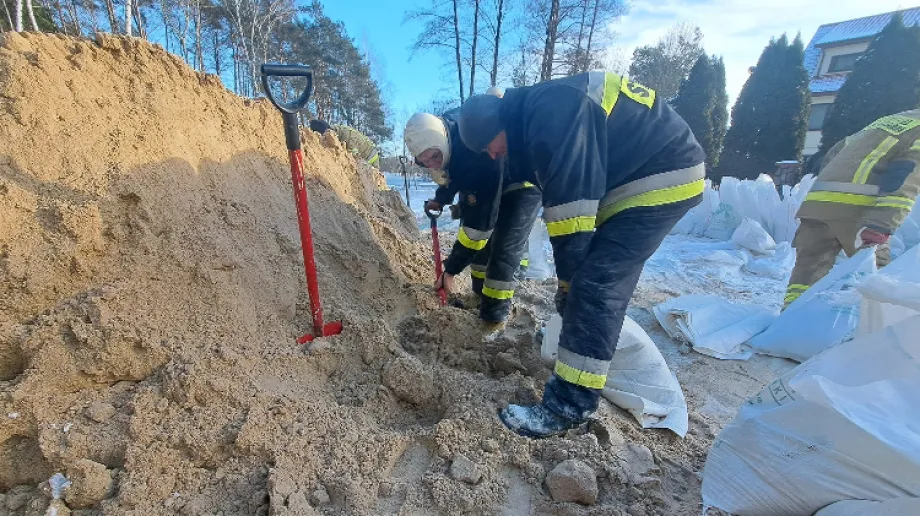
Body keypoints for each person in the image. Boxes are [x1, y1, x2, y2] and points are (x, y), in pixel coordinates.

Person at [456, 71, 705, 438]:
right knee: (587, 284)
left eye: (489, 144)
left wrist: (570, 284)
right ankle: (582, 361)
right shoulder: (538, 113)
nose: (493, 154)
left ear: (499, 123)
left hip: (659, 173)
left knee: (596, 284)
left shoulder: (551, 114)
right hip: (637, 175)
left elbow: (572, 218)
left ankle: (568, 406)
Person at [405, 108, 541, 329]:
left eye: (434, 156)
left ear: (441, 139)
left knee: (502, 248)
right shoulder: (451, 140)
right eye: (425, 162)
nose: (432, 164)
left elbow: (479, 226)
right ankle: (479, 296)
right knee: (481, 251)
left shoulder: (475, 151)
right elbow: (455, 175)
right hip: (492, 180)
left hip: (520, 184)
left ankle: (493, 319)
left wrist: (450, 270)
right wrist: (441, 199)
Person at [784, 109, 920, 309]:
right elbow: (906, 178)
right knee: (876, 275)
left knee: (807, 272)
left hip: (817, 206)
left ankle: (789, 320)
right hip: (858, 210)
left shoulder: (885, 122)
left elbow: (833, 154)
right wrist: (881, 224)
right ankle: (875, 327)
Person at [308, 119, 380, 168]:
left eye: (325, 138)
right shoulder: (337, 131)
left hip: (370, 156)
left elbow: (355, 158)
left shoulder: (347, 138)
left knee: (366, 177)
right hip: (367, 152)